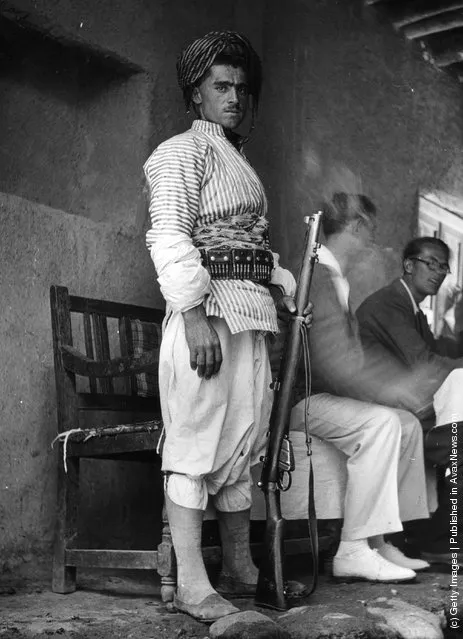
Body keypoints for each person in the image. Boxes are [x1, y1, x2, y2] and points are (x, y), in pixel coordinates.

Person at [144, 31, 310, 623]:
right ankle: (192, 582)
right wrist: (192, 318)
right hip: (207, 319)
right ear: (196, 94)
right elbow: (168, 236)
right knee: (194, 448)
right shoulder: (180, 153)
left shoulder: (238, 161)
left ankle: (239, 567)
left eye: (242, 87)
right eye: (221, 86)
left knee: (242, 450)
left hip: (248, 319)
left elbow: (248, 247)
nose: (235, 96)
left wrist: (286, 284)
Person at [290, 192, 430, 583]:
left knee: (405, 424)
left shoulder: (334, 275)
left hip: (324, 396)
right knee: (382, 423)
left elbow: (349, 362)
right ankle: (351, 549)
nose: (374, 241)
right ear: (355, 226)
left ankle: (378, 541)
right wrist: (388, 388)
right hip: (300, 399)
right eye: (371, 231)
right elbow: (332, 360)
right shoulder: (316, 272)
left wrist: (393, 388)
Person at [356, 236, 463, 561]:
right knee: (457, 437)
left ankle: (435, 536)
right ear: (408, 265)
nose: (438, 272)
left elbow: (434, 351)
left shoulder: (413, 309)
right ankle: (436, 539)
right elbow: (424, 363)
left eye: (444, 266)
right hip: (382, 400)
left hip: (409, 400)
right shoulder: (390, 303)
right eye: (431, 263)